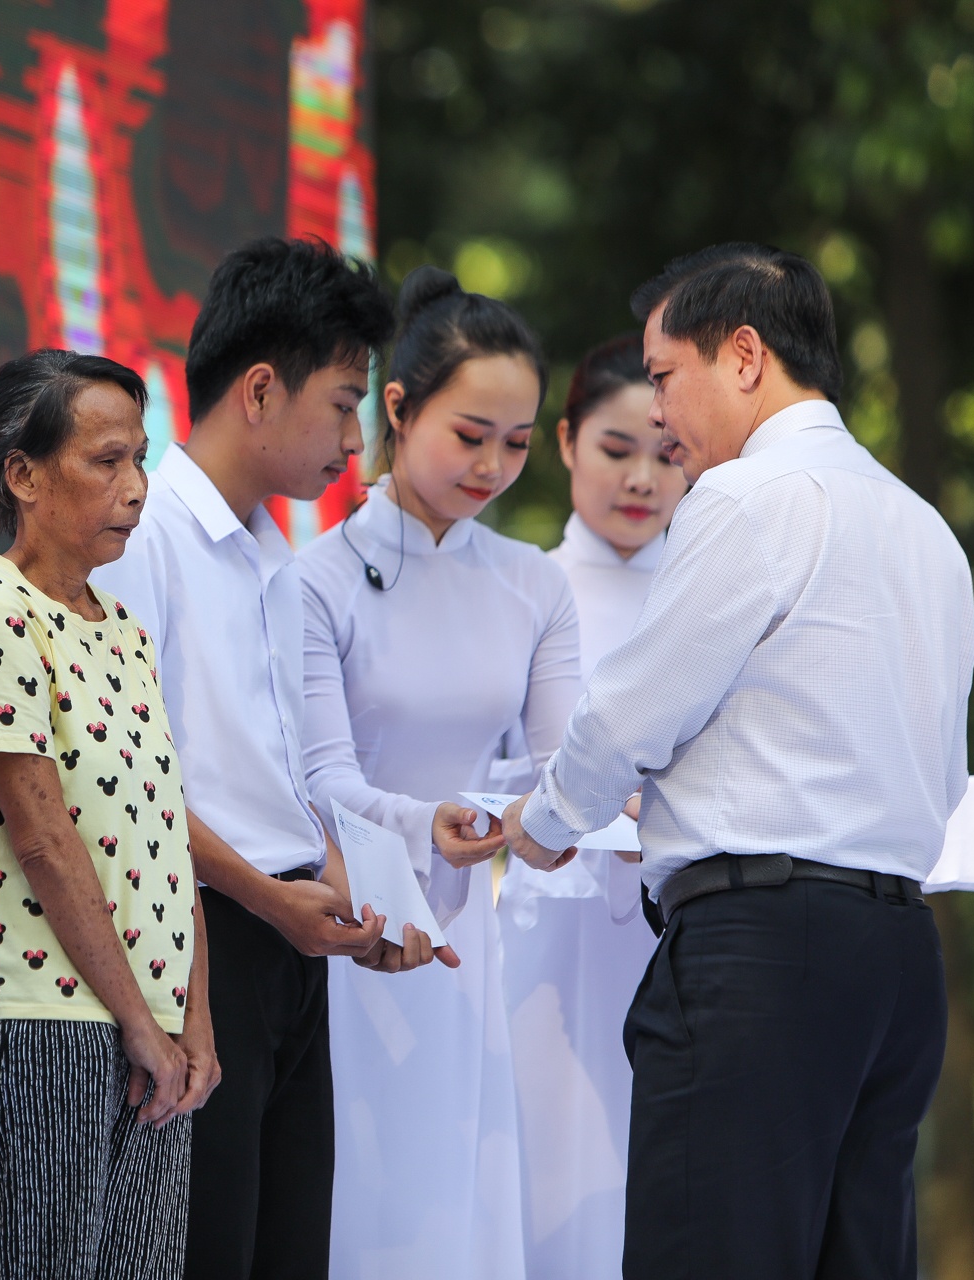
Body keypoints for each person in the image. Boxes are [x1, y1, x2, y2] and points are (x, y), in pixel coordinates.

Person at [503, 244, 974, 1279]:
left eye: (665, 375)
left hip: (763, 952)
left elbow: (632, 709)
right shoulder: (927, 527)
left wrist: (537, 827)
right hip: (900, 959)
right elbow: (943, 780)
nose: (659, 414)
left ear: (747, 356)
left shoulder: (746, 497)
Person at [91, 237, 443, 1280]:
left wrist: (355, 899)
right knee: (203, 1249)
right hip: (197, 940)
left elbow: (283, 781)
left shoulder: (276, 557)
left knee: (286, 1248)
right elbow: (128, 789)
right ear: (258, 390)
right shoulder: (141, 538)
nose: (354, 439)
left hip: (286, 941)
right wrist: (272, 899)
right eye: (341, 405)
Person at [297, 266, 577, 1279]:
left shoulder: (534, 584)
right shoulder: (315, 579)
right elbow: (319, 778)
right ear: (398, 408)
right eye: (470, 435)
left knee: (456, 1208)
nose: (493, 466)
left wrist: (558, 819)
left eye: (517, 441)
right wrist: (431, 822)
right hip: (344, 924)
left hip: (466, 936)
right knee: (355, 1201)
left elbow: (561, 767)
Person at [0, 349, 218, 1279]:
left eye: (140, 459)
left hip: (149, 1028)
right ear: (22, 474)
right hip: (43, 1020)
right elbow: (44, 841)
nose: (136, 487)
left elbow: (165, 834)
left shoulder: (123, 630)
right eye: (106, 461)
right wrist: (140, 1021)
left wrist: (193, 1022)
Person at [495, 332, 685, 1278]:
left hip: (679, 933)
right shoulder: (526, 589)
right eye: (617, 449)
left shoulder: (709, 597)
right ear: (566, 442)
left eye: (667, 453)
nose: (642, 478)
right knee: (554, 1180)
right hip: (554, 931)